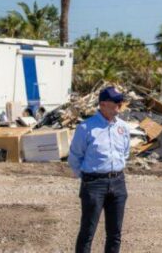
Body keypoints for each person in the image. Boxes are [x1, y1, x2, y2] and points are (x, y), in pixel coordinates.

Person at [69, 86, 131, 253]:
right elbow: (75, 157)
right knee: (88, 232)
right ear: (103, 104)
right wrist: (87, 178)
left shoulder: (123, 127)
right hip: (94, 184)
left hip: (118, 182)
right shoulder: (86, 128)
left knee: (115, 233)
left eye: (120, 101)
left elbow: (125, 153)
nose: (120, 105)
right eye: (116, 102)